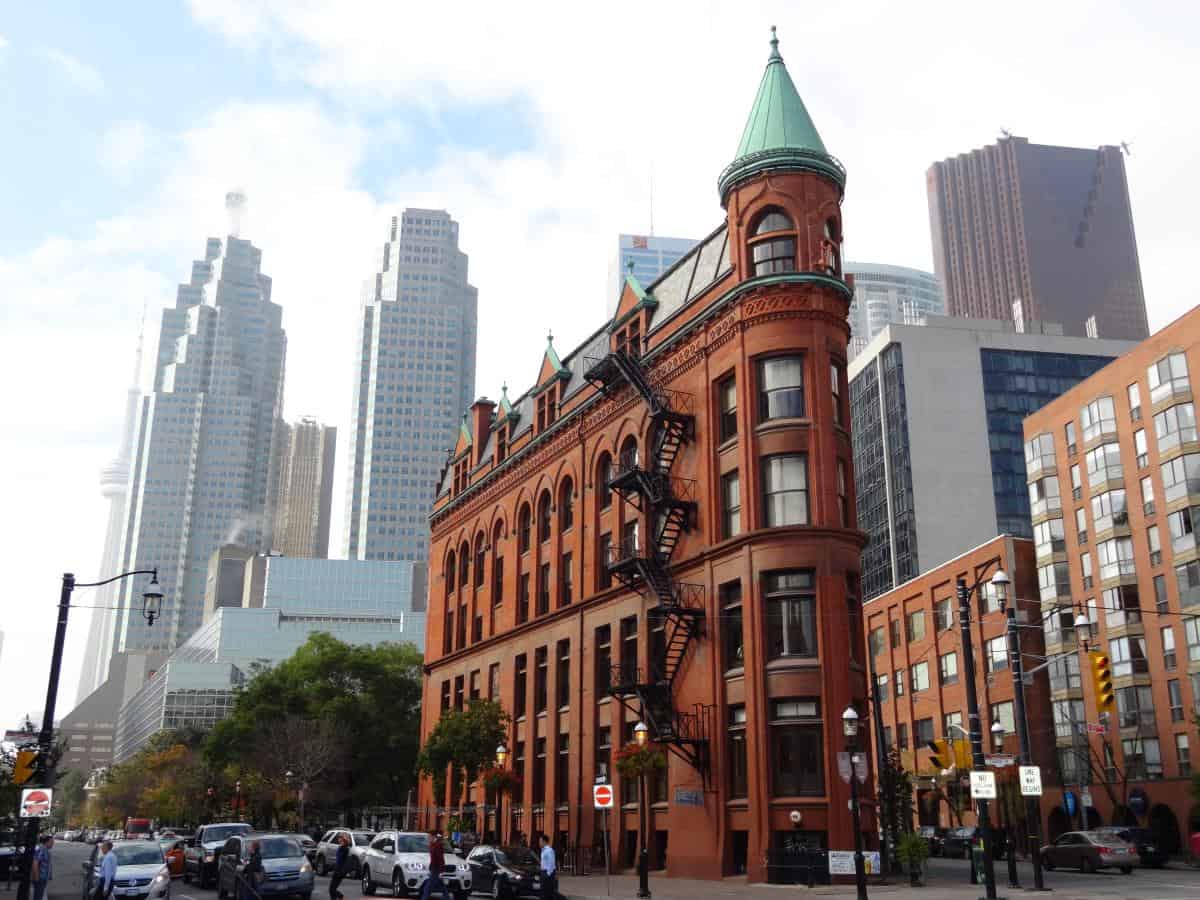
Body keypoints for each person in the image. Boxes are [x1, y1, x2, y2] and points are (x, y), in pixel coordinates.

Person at [418, 832, 449, 900]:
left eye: (429, 837)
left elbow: (440, 858)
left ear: (433, 837)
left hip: (436, 868)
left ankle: (424, 898)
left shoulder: (437, 845)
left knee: (428, 887)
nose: (428, 838)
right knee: (441, 885)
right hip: (433, 867)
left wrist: (441, 869)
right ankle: (447, 897)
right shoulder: (432, 845)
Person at [31, 835, 53, 900]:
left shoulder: (45, 850)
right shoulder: (42, 850)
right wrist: (37, 878)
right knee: (38, 897)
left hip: (43, 879)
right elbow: (35, 863)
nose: (52, 844)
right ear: (47, 842)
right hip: (40, 878)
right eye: (51, 842)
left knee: (40, 896)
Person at [328, 834, 350, 900]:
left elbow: (343, 861)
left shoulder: (345, 849)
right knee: (332, 889)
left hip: (340, 872)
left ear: (343, 839)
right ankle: (339, 896)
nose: (338, 839)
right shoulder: (340, 847)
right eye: (339, 838)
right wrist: (332, 866)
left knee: (332, 889)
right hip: (336, 870)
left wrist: (341, 871)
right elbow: (338, 859)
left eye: (340, 838)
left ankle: (340, 896)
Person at [538, 833, 556, 900]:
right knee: (543, 892)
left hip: (548, 874)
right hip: (543, 872)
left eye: (540, 841)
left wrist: (547, 874)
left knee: (547, 892)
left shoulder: (549, 850)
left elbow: (551, 863)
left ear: (544, 841)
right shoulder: (543, 850)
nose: (539, 843)